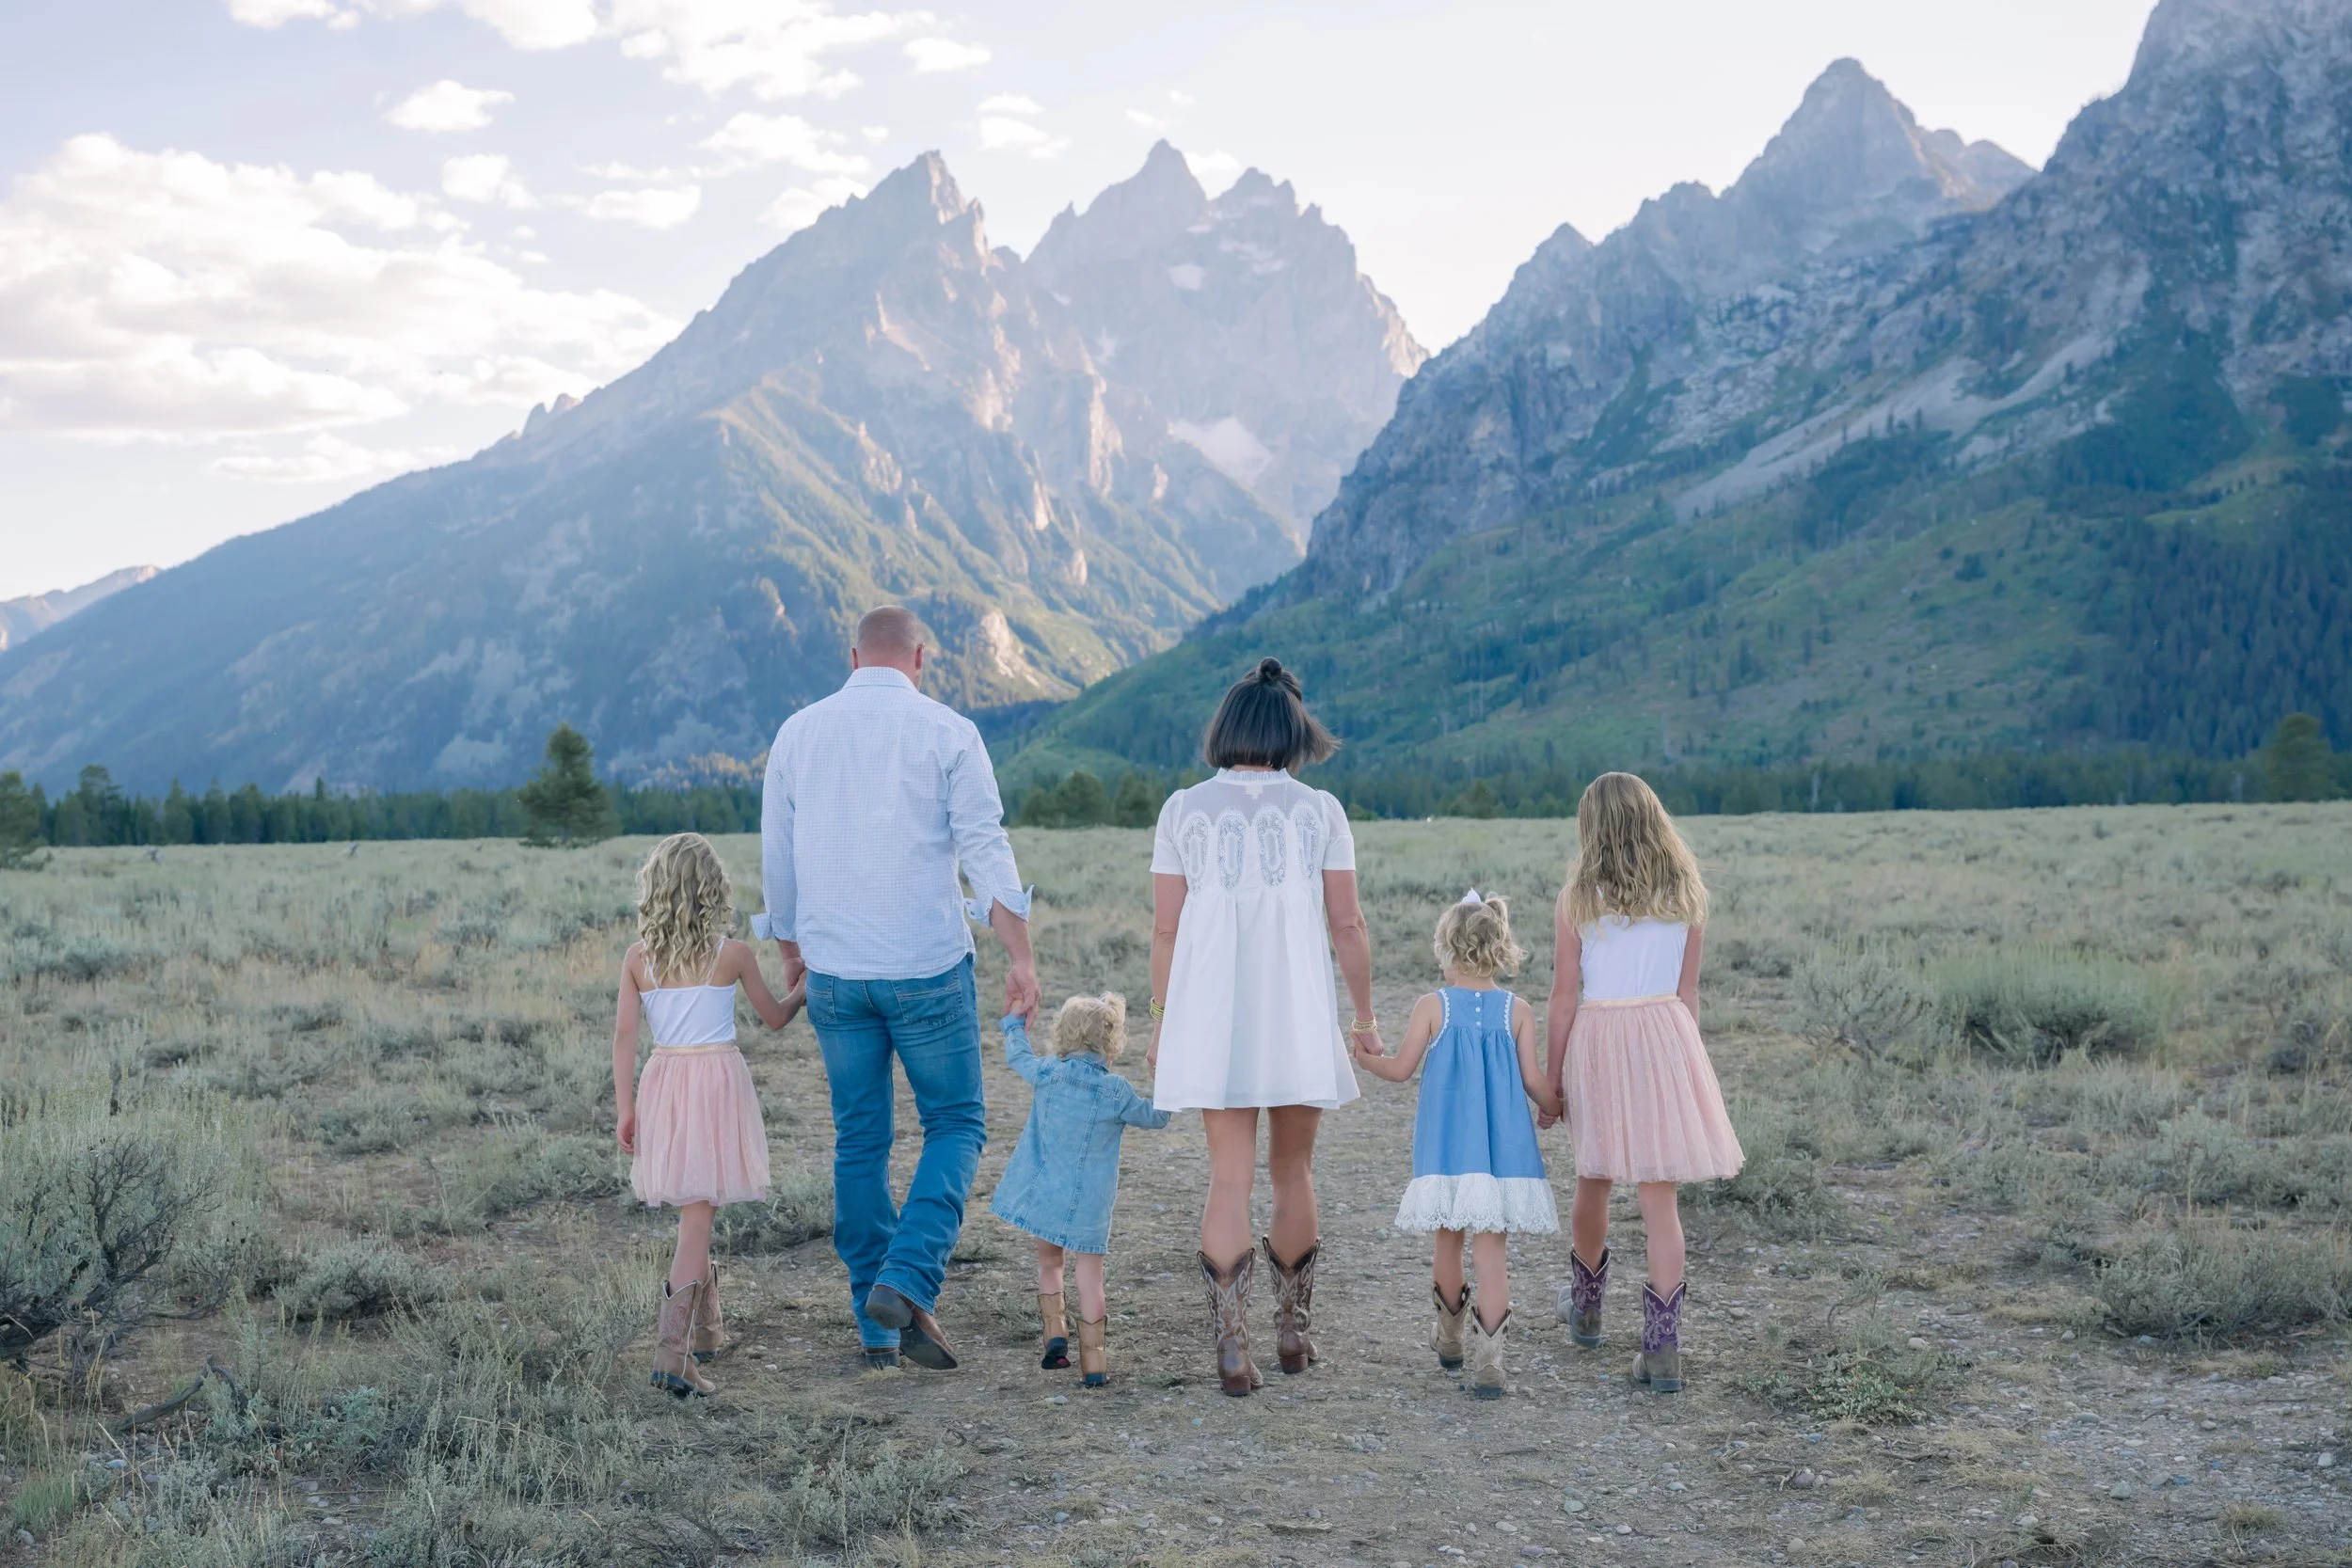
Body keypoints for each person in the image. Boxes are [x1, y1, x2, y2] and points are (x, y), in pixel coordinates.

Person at [757, 606, 1041, 1371]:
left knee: (861, 1139)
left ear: (853, 654)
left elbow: (777, 858)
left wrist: (791, 949)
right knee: (955, 1122)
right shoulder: (949, 732)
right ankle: (908, 1278)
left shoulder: (797, 733)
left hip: (837, 972)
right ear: (921, 659)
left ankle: (876, 1325)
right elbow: (986, 845)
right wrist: (1020, 954)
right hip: (926, 966)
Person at [1147, 657, 1376, 1398]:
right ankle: (1292, 1331)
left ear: (1226, 730)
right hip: (1298, 1012)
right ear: (1293, 733)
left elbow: (1165, 934)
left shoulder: (1182, 809)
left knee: (1228, 1176)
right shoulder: (1321, 812)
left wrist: (1159, 1020)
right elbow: (1347, 923)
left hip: (1213, 1016)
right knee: (1294, 1171)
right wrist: (1365, 1015)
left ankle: (1231, 1344)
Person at [1539, 772, 1743, 1394]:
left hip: (1599, 1037)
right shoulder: (1687, 894)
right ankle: (1662, 1350)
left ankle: (1588, 1309)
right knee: (1660, 1197)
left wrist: (1552, 1079)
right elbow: (1689, 993)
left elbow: (1563, 997)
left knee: (1593, 1176)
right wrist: (1688, 1061)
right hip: (1665, 1034)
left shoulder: (1578, 897)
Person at [613, 832, 802, 1398]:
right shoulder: (732, 954)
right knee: (697, 1219)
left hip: (666, 1085)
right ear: (711, 890)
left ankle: (704, 1335)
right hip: (714, 1086)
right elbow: (773, 1018)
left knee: (699, 1210)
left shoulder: (638, 959)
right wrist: (805, 986)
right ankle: (671, 1356)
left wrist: (626, 1107)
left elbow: (625, 1039)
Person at [1353, 892, 1560, 1399]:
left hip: (1447, 1149)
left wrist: (1363, 1059)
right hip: (1502, 1153)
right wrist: (1553, 1103)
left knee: (1447, 1237)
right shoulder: (1519, 1010)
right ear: (1499, 949)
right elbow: (1534, 1081)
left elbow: (1401, 1069)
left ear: (1448, 949)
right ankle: (1490, 1363)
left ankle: (1449, 1340)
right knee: (1493, 1252)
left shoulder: (1432, 1006)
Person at [988, 992, 1171, 1386]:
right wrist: (1174, 1077)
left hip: (1045, 1195)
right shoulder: (1116, 1091)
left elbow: (1017, 1057)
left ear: (1064, 1034)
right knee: (1091, 1279)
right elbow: (1157, 1117)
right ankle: (1095, 1365)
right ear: (1112, 1041)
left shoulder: (1048, 1072)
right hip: (1090, 1204)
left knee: (1049, 1263)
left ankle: (1054, 1337)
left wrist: (1014, 1026)